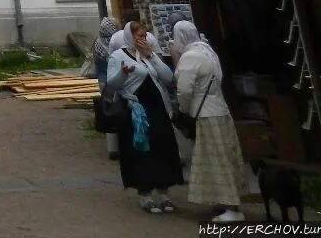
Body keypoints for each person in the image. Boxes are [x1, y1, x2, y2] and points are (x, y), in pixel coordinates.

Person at [105, 20, 184, 213]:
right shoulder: (117, 56)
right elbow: (111, 86)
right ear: (129, 37)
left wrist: (152, 56)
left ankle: (164, 193)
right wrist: (123, 73)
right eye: (139, 36)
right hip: (136, 111)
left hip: (157, 108)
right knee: (141, 152)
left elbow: (167, 78)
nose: (143, 39)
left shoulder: (148, 55)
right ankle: (145, 194)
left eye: (145, 35)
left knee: (163, 148)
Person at [174, 20, 246, 223]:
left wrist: (184, 110)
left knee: (216, 160)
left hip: (204, 113)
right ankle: (226, 201)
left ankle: (231, 207)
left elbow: (185, 90)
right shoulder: (208, 51)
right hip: (221, 109)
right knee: (226, 156)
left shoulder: (190, 57)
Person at [92, 16, 120, 161]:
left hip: (102, 81)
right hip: (114, 80)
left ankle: (112, 148)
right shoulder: (115, 43)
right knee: (118, 110)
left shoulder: (97, 42)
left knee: (108, 111)